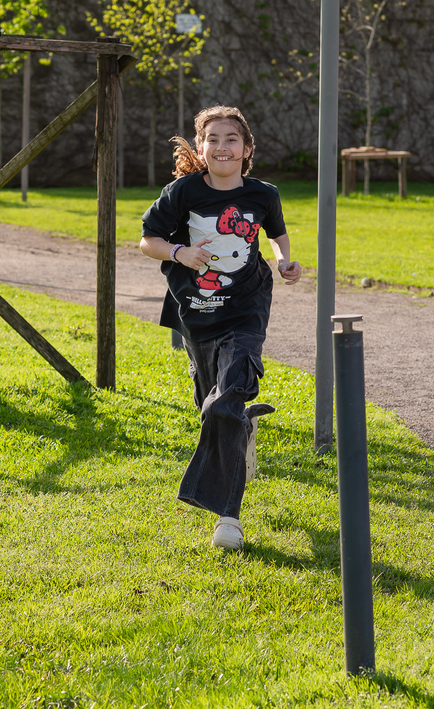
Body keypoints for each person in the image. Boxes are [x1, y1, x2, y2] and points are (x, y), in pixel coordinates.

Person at [140, 105, 301, 550]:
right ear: (201, 148)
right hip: (197, 311)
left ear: (246, 148)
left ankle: (228, 518)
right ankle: (242, 430)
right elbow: (147, 239)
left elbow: (275, 231)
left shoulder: (263, 194)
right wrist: (179, 254)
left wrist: (284, 259)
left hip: (247, 307)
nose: (223, 146)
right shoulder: (182, 192)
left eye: (232, 139)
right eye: (213, 139)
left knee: (224, 402)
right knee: (212, 406)